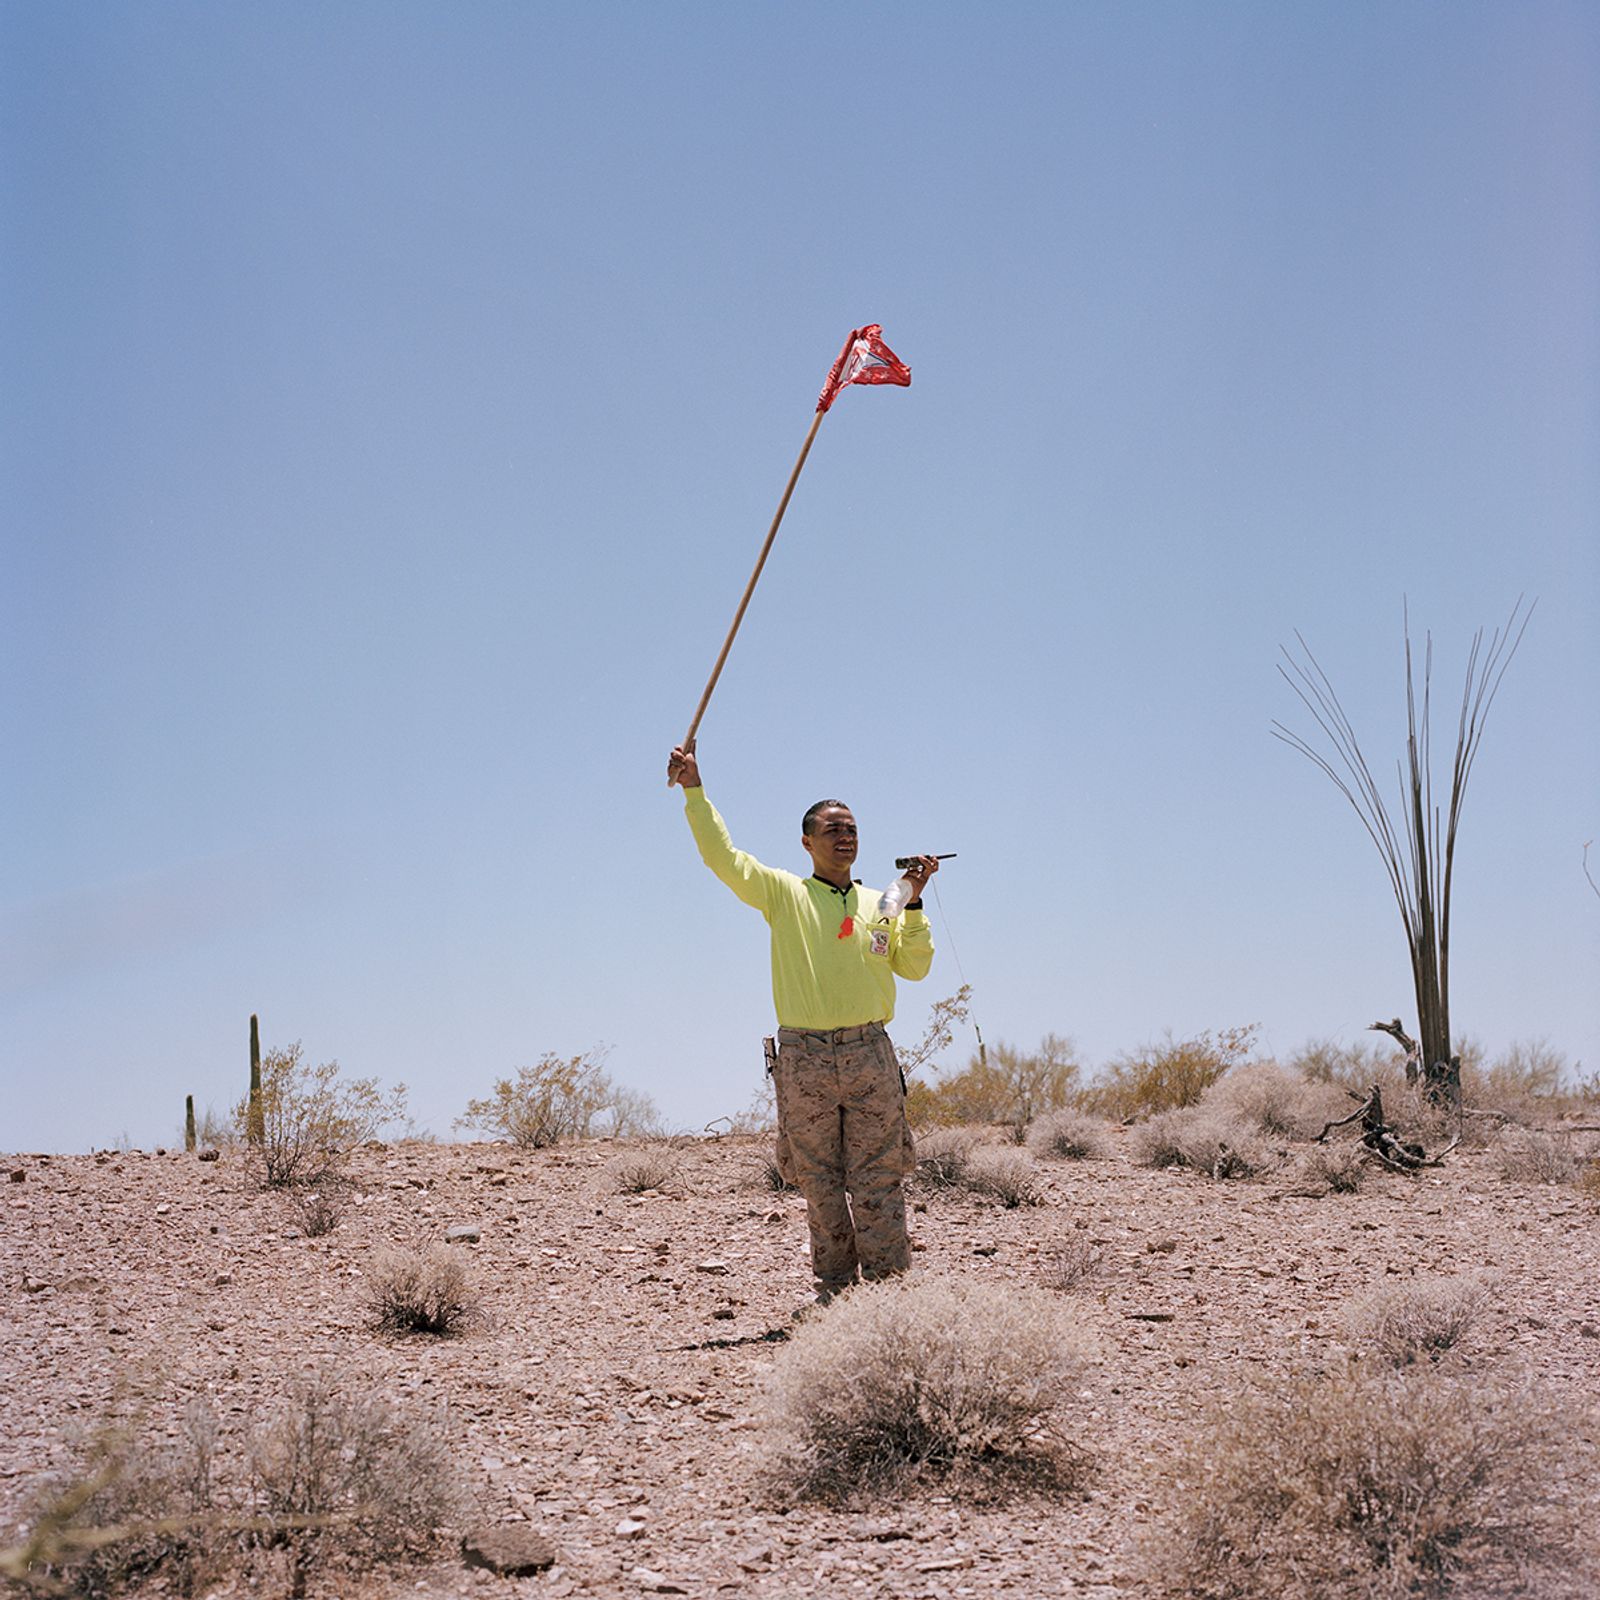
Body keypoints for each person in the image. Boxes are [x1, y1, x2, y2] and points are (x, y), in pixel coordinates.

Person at [666, 743, 939, 1307]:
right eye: (833, 829)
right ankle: (837, 1297)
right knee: (819, 1183)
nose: (846, 838)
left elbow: (912, 967)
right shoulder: (785, 894)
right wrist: (695, 790)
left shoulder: (879, 904)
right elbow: (723, 857)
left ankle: (890, 1300)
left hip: (870, 1054)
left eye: (853, 830)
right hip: (805, 1059)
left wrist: (912, 904)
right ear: (807, 842)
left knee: (879, 1178)